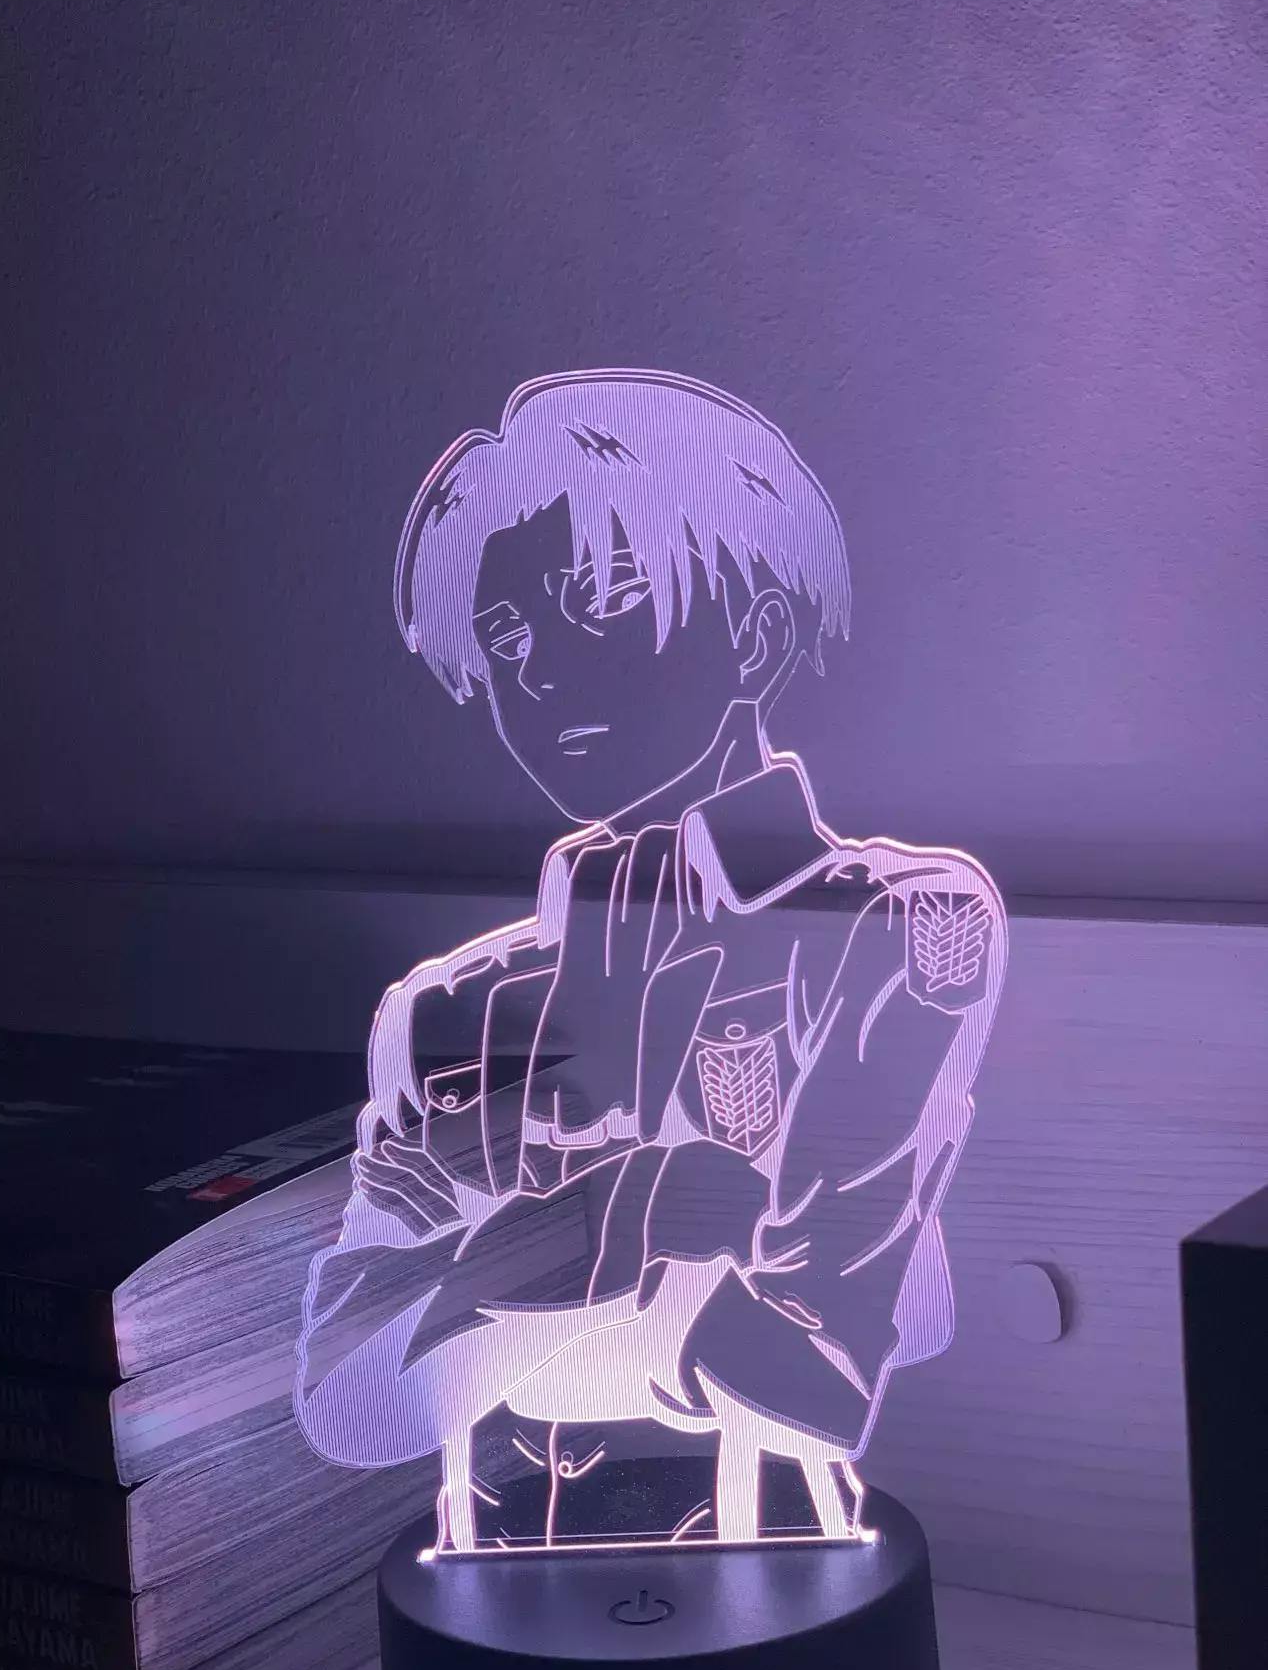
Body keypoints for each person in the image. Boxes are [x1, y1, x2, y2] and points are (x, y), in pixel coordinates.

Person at [294, 369, 1005, 1555]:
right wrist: (652, 1206)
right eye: (507, 633)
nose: (539, 668)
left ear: (757, 635)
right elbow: (345, 1391)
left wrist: (486, 1264)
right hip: (502, 1560)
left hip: (784, 1553)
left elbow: (815, 1352)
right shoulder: (445, 1011)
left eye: (606, 596)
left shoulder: (897, 925)